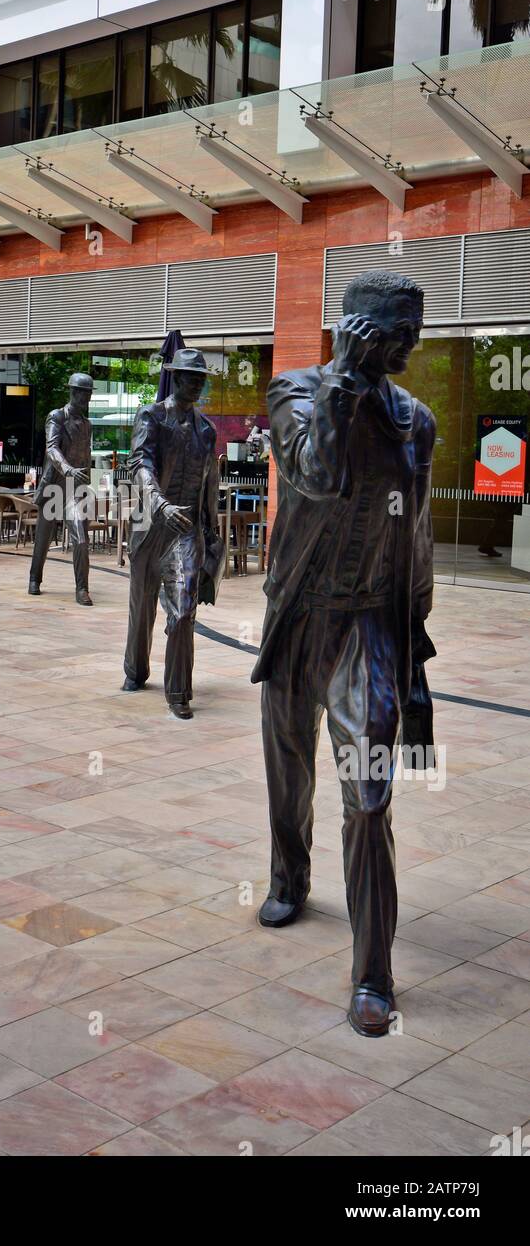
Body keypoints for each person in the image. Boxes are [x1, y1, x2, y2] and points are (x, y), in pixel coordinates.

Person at [252, 269, 436, 1039]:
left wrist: (416, 665)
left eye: (414, 331)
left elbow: (415, 538)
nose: (410, 344)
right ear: (358, 330)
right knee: (289, 768)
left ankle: (373, 973)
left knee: (369, 799)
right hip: (300, 622)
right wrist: (343, 384)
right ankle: (289, 874)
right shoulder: (295, 391)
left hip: (369, 629)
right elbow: (318, 475)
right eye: (396, 331)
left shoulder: (414, 421)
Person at [121, 348, 225, 719]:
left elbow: (210, 486)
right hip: (152, 527)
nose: (197, 384)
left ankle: (179, 691)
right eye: (191, 378)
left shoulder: (207, 431)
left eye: (201, 379)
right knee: (142, 608)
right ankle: (135, 670)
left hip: (187, 533)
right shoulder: (151, 416)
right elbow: (140, 466)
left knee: (183, 613)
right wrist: (160, 504)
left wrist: (212, 536)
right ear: (176, 378)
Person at [28, 372, 94, 606]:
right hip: (54, 485)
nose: (86, 398)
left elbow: (86, 457)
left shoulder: (87, 425)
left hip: (75, 490)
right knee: (43, 539)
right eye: (83, 393)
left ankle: (82, 589)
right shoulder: (56, 417)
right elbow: (52, 449)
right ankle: (35, 578)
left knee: (81, 538)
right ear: (73, 392)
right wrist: (68, 469)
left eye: (89, 393)